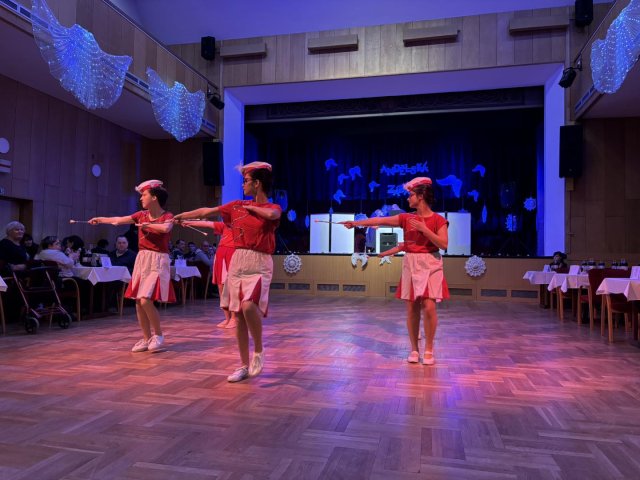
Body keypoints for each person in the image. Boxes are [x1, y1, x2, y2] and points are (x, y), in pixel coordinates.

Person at [174, 161, 281, 382]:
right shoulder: (236, 206)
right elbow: (207, 212)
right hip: (238, 260)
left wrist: (252, 208)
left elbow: (272, 216)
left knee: (248, 305)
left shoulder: (272, 207)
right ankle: (243, 365)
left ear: (257, 183)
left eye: (246, 181)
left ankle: (258, 350)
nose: (243, 185)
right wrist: (184, 215)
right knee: (238, 315)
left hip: (259, 261)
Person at [342, 177, 448, 366]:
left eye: (411, 195)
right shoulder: (406, 218)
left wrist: (424, 229)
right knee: (412, 307)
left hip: (431, 263)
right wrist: (356, 223)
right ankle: (414, 349)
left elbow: (443, 244)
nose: (408, 198)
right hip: (411, 263)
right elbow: (380, 220)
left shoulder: (439, 220)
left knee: (429, 306)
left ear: (421, 196)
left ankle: (429, 349)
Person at [89, 179, 176, 353]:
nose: (141, 198)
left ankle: (158, 335)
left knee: (145, 299)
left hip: (158, 259)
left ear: (154, 197)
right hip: (142, 258)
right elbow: (119, 220)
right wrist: (101, 219)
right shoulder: (140, 215)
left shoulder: (167, 216)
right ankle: (146, 338)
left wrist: (147, 225)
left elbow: (165, 229)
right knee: (138, 301)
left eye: (144, 195)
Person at [181, 221, 236, 328]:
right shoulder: (224, 225)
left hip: (232, 255)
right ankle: (227, 318)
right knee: (221, 287)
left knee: (232, 288)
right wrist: (189, 222)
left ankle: (234, 318)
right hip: (220, 256)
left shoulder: (240, 225)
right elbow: (206, 223)